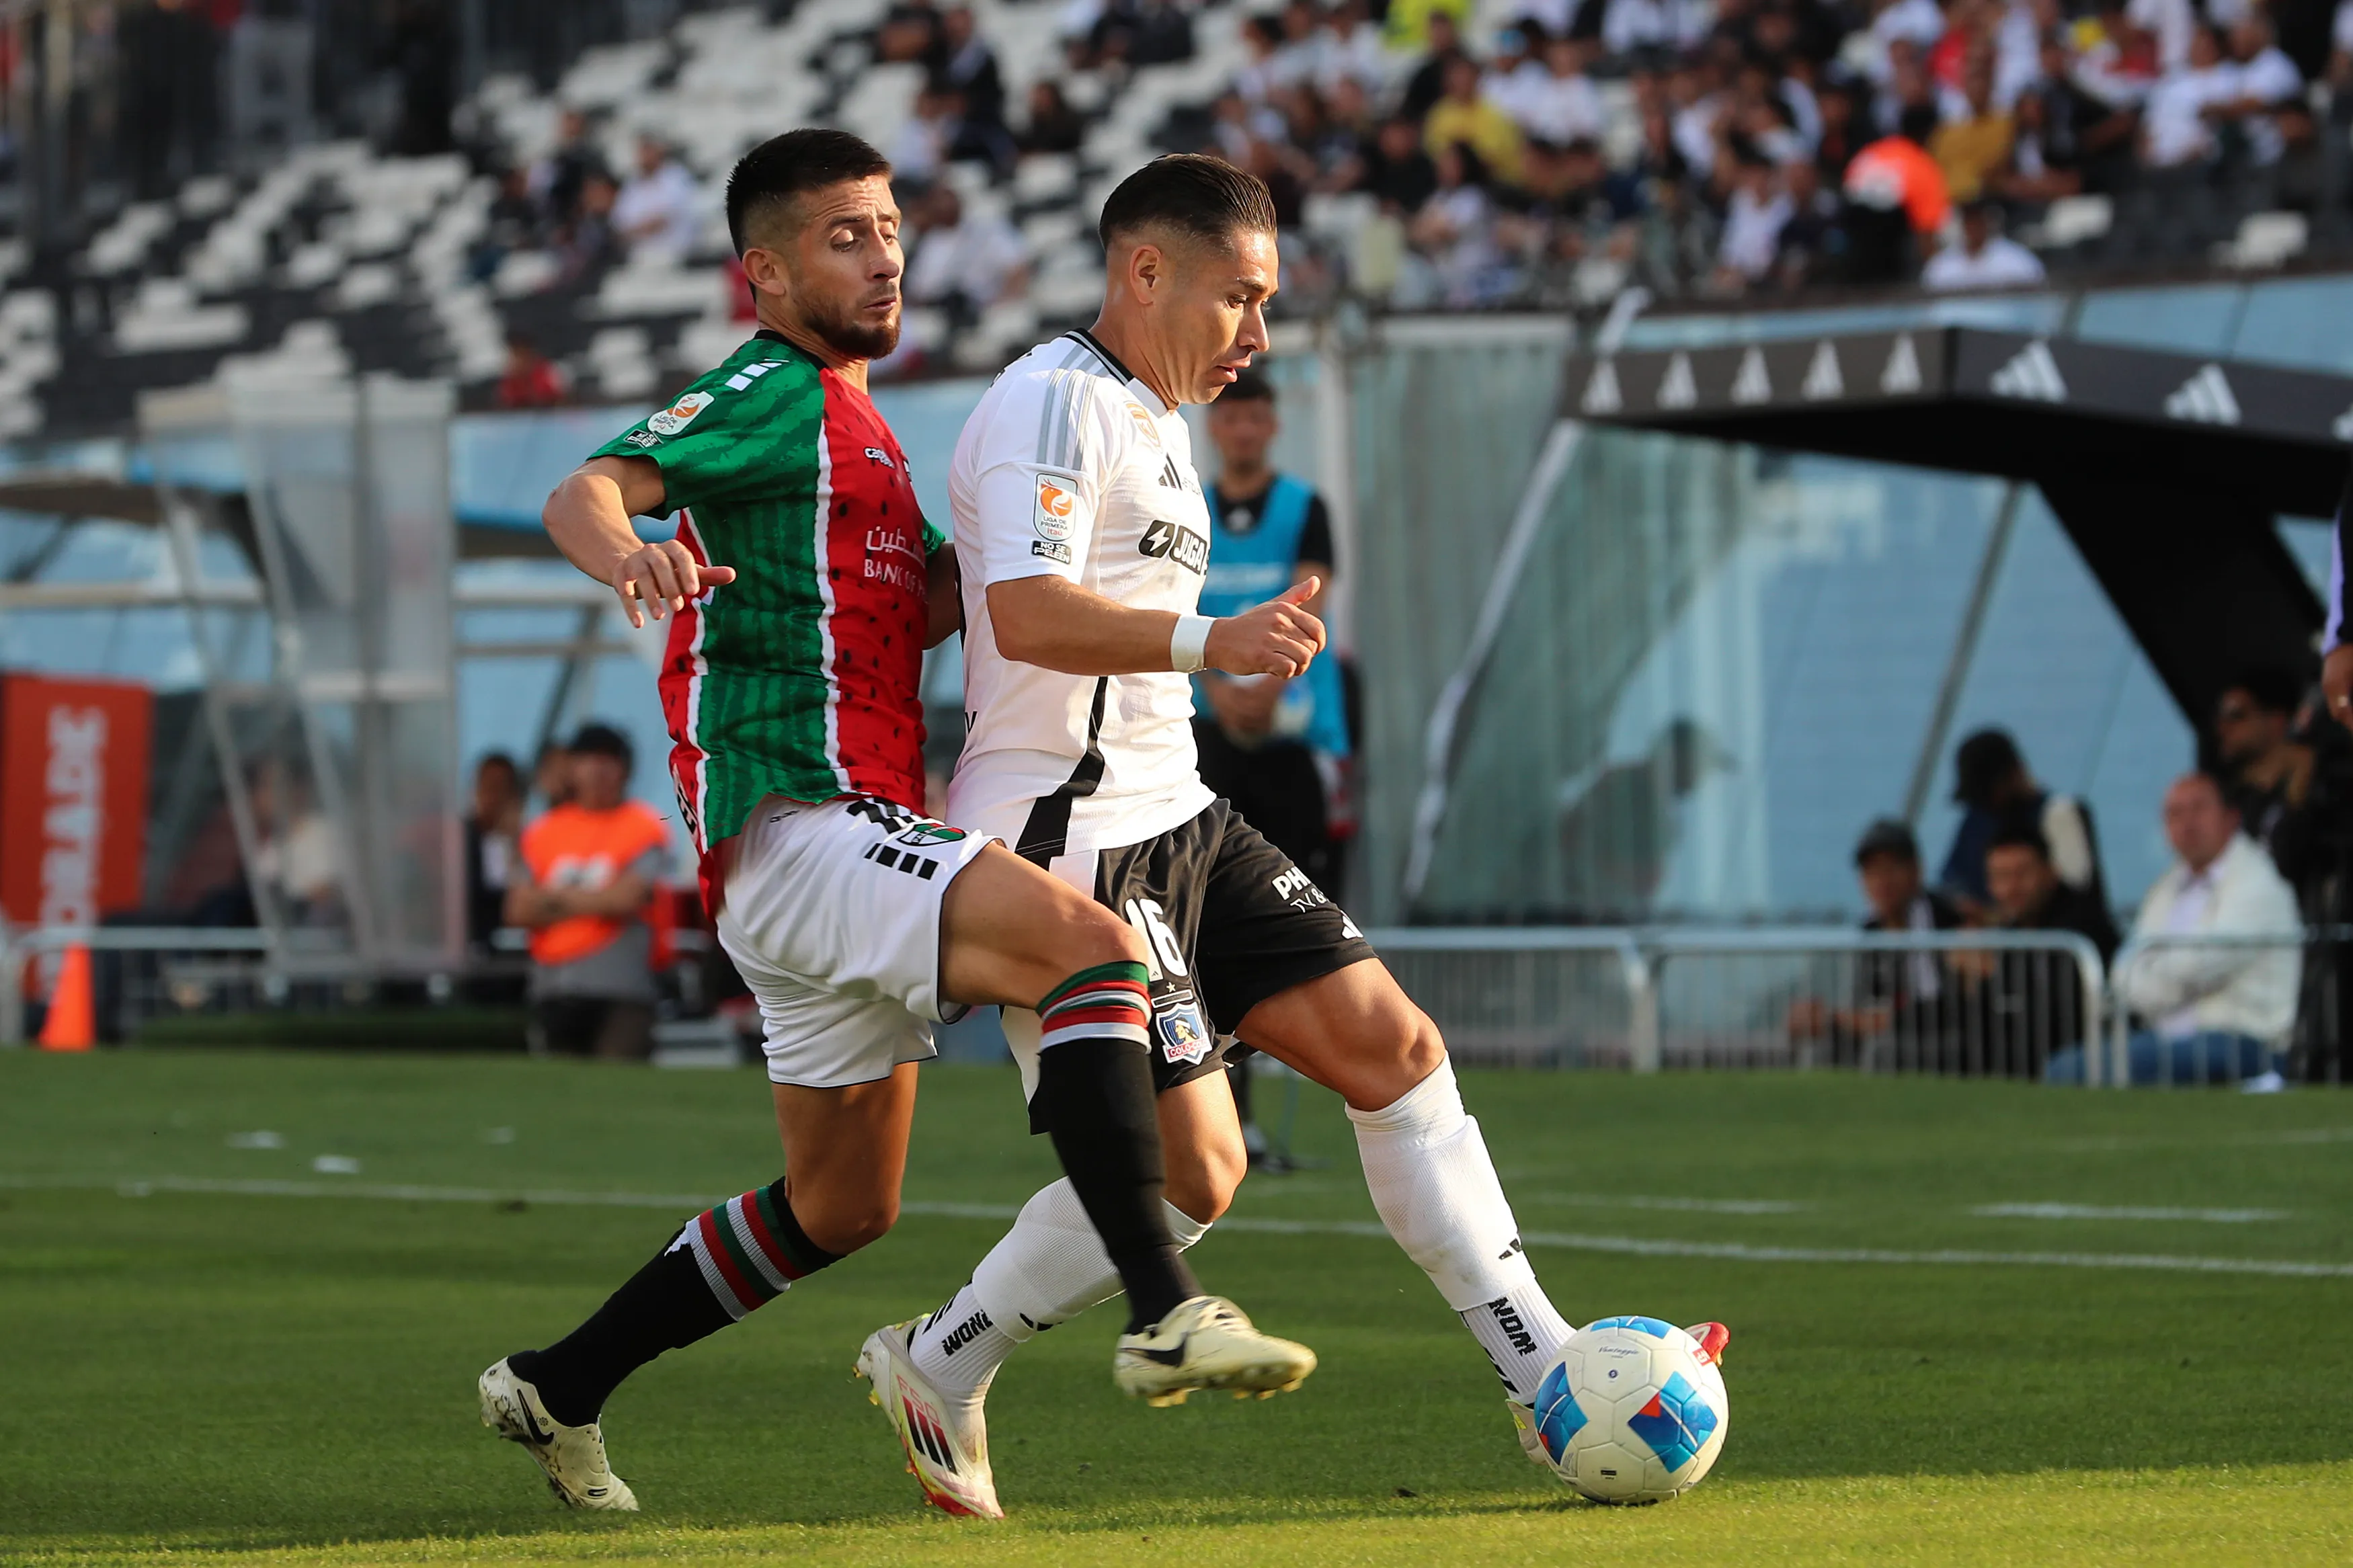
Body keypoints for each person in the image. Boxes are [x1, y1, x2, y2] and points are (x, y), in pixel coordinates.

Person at [478, 130, 1312, 1518]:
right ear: (764, 271)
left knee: (840, 1204)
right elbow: (592, 484)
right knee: (1085, 945)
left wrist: (1022, 551)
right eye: (843, 236)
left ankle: (556, 1384)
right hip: (795, 821)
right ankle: (1165, 1306)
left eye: (887, 227)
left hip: (827, 854)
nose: (884, 255)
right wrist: (628, 548)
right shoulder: (765, 389)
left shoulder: (863, 424)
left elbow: (931, 598)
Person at [872, 153, 1718, 1520]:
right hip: (1069, 836)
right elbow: (1021, 613)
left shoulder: (1158, 417)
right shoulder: (1051, 398)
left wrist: (1212, 672)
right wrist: (1214, 642)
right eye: (1238, 298)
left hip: (1184, 812)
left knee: (1397, 1050)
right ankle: (940, 1355)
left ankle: (1542, 1365)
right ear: (1143, 272)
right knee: (1199, 1177)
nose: (1256, 335)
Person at [1196, 368, 1350, 895]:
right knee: (1212, 890)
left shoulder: (1305, 507)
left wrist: (1269, 686)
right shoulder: (1189, 510)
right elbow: (1173, 607)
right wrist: (1216, 688)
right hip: (1208, 731)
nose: (1244, 431)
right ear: (1214, 425)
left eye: (1256, 419)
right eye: (1233, 418)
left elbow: (1313, 601)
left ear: (1274, 426)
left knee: (1301, 890)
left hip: (1291, 731)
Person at [2047, 774, 2299, 1087]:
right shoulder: (2167, 886)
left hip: (2243, 1039)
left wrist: (2155, 982)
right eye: (2175, 814)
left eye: (2198, 809)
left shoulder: (2256, 881)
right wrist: (2163, 981)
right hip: (2170, 1037)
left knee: (2077, 1070)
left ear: (2231, 817)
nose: (2187, 823)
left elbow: (2203, 964)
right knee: (2065, 1066)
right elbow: (2127, 969)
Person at [507, 725, 670, 1062]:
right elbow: (519, 909)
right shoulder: (544, 830)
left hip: (623, 986)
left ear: (625, 770)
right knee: (560, 1089)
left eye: (608, 762)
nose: (597, 772)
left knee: (620, 1082)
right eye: (587, 761)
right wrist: (598, 899)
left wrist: (554, 899)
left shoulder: (644, 825)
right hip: (554, 984)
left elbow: (628, 898)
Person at [1788, 819, 1970, 1064]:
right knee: (1821, 1046)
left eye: (1891, 868)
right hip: (1894, 1035)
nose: (1882, 881)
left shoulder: (1947, 921)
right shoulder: (1870, 933)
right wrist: (1825, 1018)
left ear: (1917, 871)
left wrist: (1865, 1020)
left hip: (1946, 1041)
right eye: (1871, 871)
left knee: (1883, 1049)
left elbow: (1942, 1008)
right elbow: (1859, 1004)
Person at [1938, 728, 2106, 918]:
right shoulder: (1977, 818)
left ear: (2014, 774)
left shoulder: (2058, 813)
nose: (1985, 802)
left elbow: (2078, 890)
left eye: (1989, 792)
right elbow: (1952, 883)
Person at [465, 751, 524, 952]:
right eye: (488, 787)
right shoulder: (459, 842)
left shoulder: (531, 841)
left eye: (502, 789)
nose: (494, 797)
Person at [1921, 198, 2048, 291]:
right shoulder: (1943, 264)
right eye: (1969, 220)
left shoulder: (2016, 259)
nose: (1973, 226)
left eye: (1978, 220)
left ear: (1988, 221)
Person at [612, 137, 703, 262]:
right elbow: (620, 223)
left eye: (648, 151)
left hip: (676, 253)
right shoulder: (633, 182)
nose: (644, 157)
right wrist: (641, 227)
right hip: (640, 256)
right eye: (642, 152)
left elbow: (664, 219)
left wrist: (638, 228)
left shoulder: (676, 176)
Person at [495, 332, 567, 409]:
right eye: (516, 355)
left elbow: (553, 401)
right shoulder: (510, 377)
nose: (519, 360)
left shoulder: (545, 372)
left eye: (522, 354)